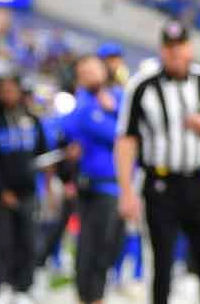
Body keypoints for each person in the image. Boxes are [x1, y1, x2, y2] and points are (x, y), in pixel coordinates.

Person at [114, 23, 200, 304]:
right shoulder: (142, 85)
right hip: (161, 183)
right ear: (162, 49)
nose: (175, 52)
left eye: (180, 46)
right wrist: (126, 191)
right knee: (161, 262)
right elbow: (126, 140)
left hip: (199, 182)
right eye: (170, 47)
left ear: (190, 48)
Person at [0, 61, 51, 304]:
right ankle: (0, 286)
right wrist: (0, 189)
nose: (8, 94)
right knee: (0, 243)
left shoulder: (32, 120)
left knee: (27, 241)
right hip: (2, 194)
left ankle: (23, 287)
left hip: (28, 192)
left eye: (12, 89)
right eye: (3, 90)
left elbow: (42, 154)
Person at [61, 56, 123, 304]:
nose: (89, 74)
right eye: (83, 71)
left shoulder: (117, 97)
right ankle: (89, 294)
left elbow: (130, 132)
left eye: (93, 69)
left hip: (116, 184)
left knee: (109, 241)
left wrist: (112, 111)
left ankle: (95, 292)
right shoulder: (82, 102)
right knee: (89, 241)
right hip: (91, 183)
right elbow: (69, 128)